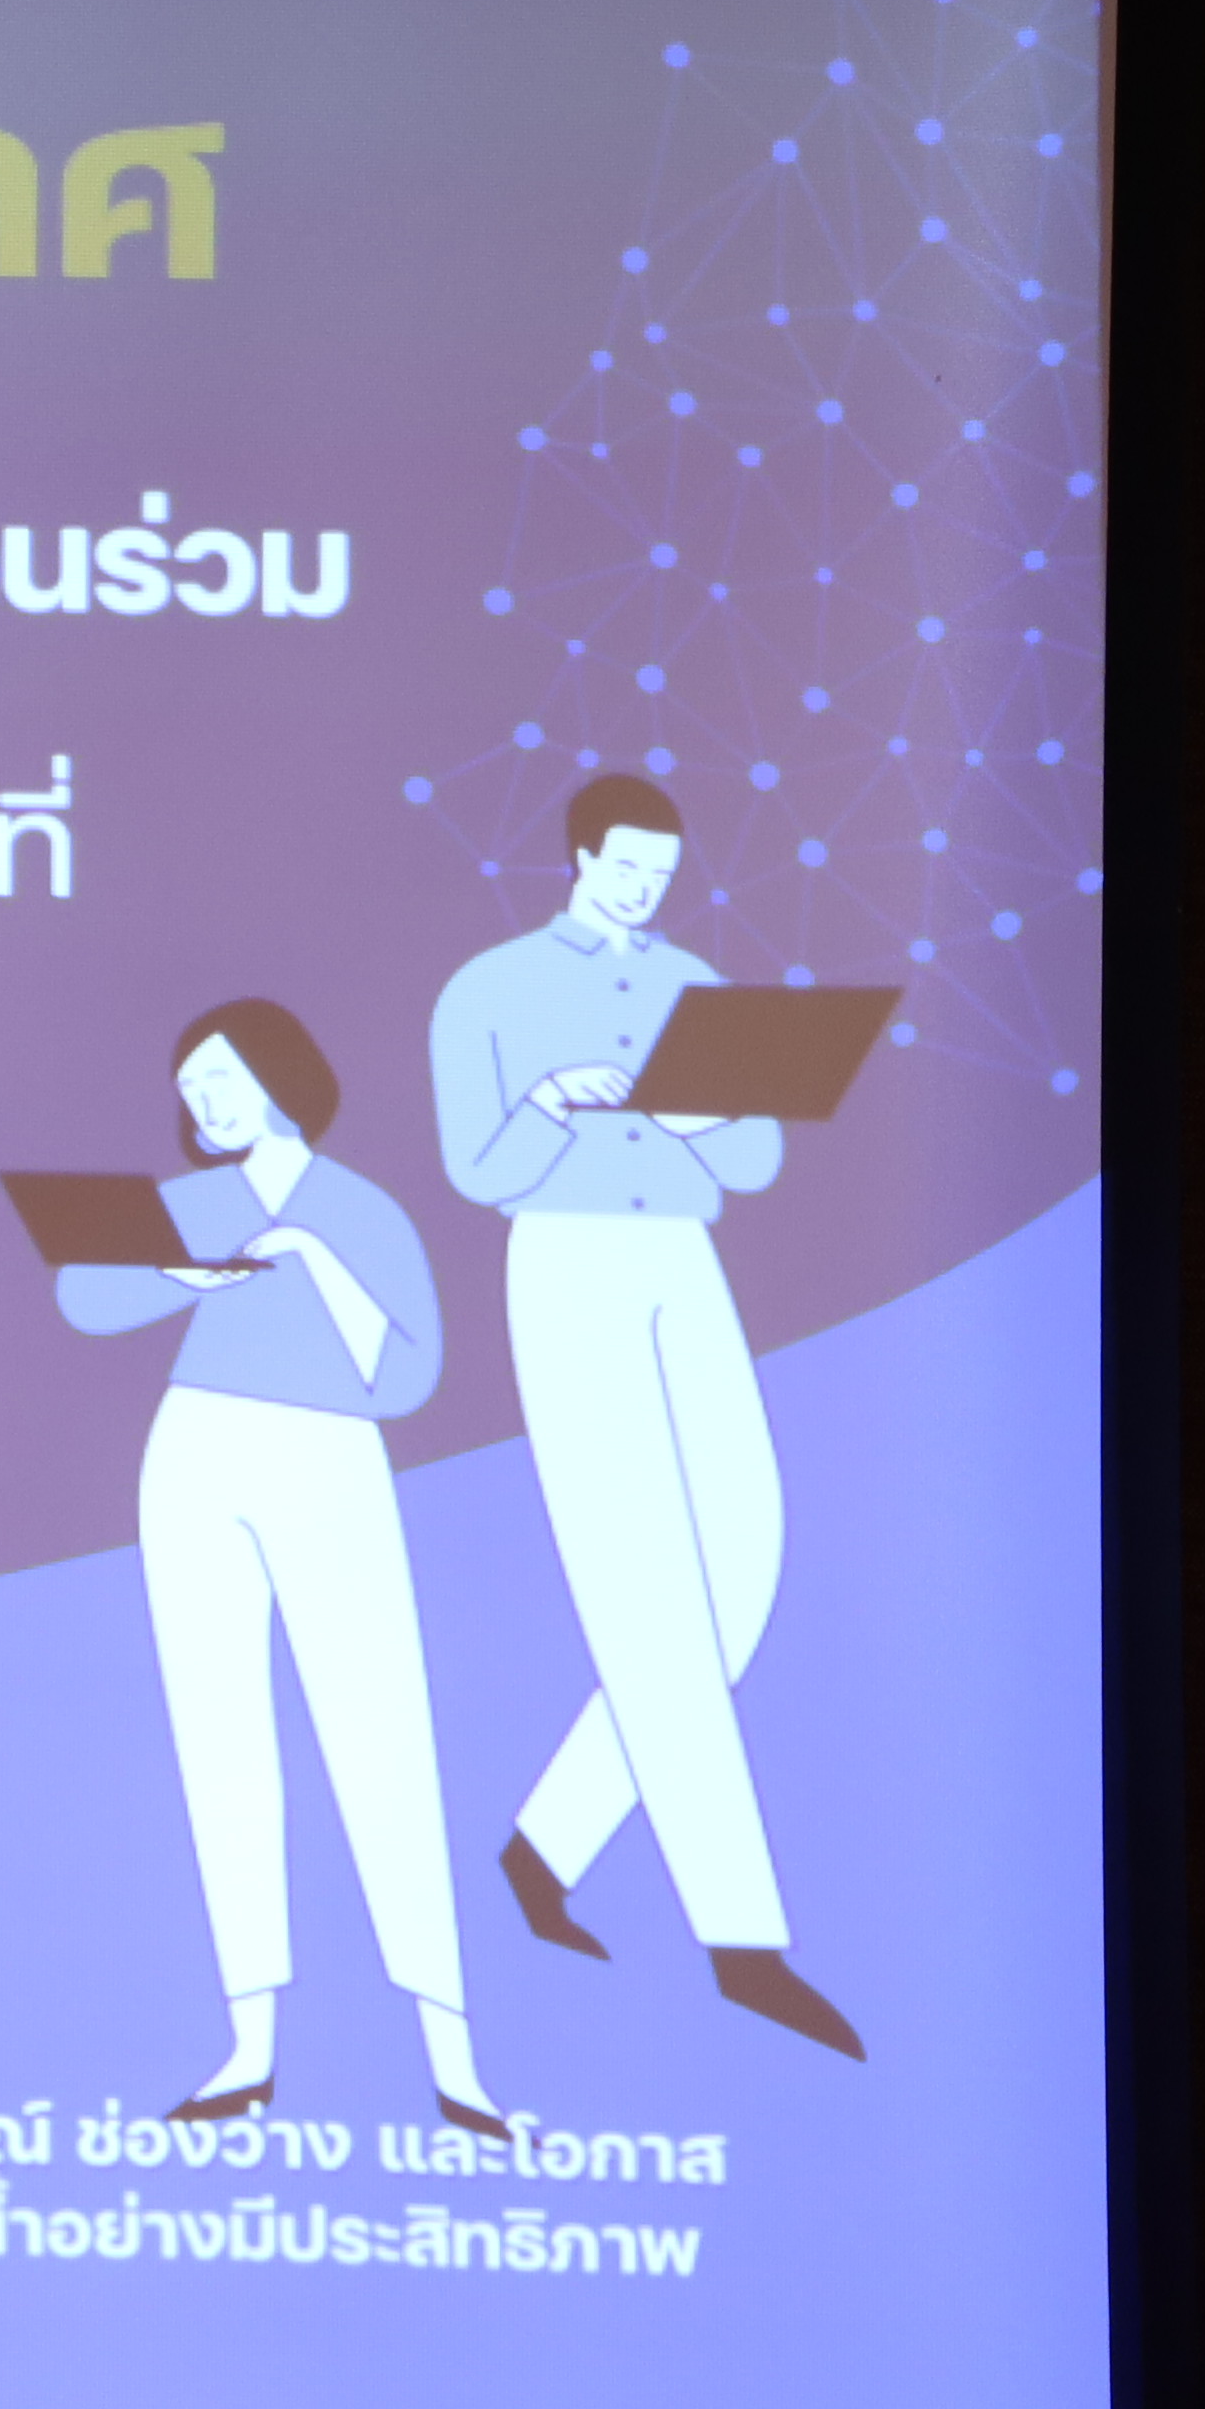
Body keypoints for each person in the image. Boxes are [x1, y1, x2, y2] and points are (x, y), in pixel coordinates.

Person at [427, 773, 859, 2057]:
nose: (643, 893)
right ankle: (744, 1941)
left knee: (741, 1570)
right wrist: (549, 1104)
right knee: (645, 1595)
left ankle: (544, 1845)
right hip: (565, 1266)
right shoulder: (488, 988)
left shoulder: (694, 983)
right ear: (576, 857)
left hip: (683, 1257)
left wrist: (700, 1114)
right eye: (625, 869)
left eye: (661, 877)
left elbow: (758, 1159)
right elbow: (476, 1168)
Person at [52, 1000, 499, 2135]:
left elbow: (407, 1378)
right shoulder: (192, 1202)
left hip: (329, 1457)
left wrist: (309, 1257)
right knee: (221, 1740)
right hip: (195, 1452)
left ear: (279, 1076)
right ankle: (248, 2049)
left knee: (379, 1730)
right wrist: (184, 1279)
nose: (202, 1101)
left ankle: (453, 2059)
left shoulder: (361, 1207)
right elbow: (85, 1294)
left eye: (221, 1076)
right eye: (189, 1086)